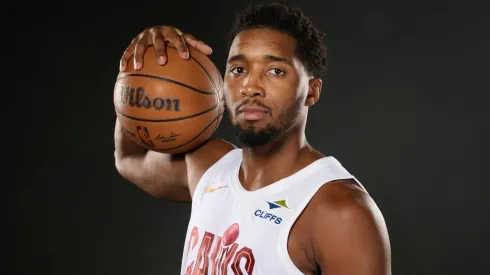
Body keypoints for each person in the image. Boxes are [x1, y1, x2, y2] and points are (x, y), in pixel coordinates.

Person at [115, 2, 391, 274]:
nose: (250, 87)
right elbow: (129, 158)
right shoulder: (208, 167)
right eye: (238, 69)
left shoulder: (341, 211)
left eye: (275, 71)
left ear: (312, 91)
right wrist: (141, 70)